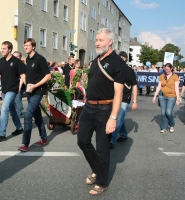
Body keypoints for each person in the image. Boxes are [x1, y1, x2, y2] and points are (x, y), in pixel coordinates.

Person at [77, 28, 126, 195]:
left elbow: (119, 93)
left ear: (110, 41)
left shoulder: (118, 63)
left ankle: (102, 182)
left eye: (101, 40)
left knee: (102, 147)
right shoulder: (95, 60)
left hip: (104, 110)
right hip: (88, 107)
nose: (97, 43)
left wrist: (113, 118)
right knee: (82, 141)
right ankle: (97, 168)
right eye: (96, 40)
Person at [18, 38, 51, 152]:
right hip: (29, 91)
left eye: (27, 45)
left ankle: (25, 143)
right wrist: (24, 83)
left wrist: (35, 85)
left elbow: (48, 76)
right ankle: (44, 138)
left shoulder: (40, 59)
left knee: (28, 115)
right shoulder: (28, 59)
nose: (25, 47)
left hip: (38, 91)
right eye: (24, 45)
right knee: (37, 116)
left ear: (33, 47)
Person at [0, 41, 25, 142]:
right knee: (12, 110)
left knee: (4, 109)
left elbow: (22, 74)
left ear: (10, 49)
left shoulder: (17, 62)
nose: (2, 50)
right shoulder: (1, 61)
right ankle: (19, 128)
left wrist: (27, 86)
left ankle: (1, 134)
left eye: (4, 48)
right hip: (4, 89)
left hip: (12, 89)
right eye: (2, 48)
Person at [109, 51, 137, 149]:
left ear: (125, 59)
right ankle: (124, 134)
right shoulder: (114, 69)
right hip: (115, 97)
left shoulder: (129, 71)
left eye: (122, 58)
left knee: (118, 118)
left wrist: (134, 101)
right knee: (119, 117)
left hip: (125, 98)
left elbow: (134, 85)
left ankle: (111, 140)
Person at [152, 63, 180, 133]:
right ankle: (164, 127)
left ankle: (171, 124)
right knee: (163, 113)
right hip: (162, 96)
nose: (166, 71)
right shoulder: (162, 76)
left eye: (168, 69)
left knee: (168, 112)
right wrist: (155, 96)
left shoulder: (175, 76)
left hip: (172, 96)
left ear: (171, 69)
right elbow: (159, 86)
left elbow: (176, 88)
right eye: (165, 69)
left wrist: (178, 98)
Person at [13, 51, 25, 118]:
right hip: (14, 85)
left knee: (18, 99)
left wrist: (19, 87)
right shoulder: (14, 64)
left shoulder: (21, 65)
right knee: (14, 100)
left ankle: (18, 113)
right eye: (14, 56)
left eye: (17, 56)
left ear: (20, 57)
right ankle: (16, 113)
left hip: (19, 85)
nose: (15, 58)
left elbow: (22, 78)